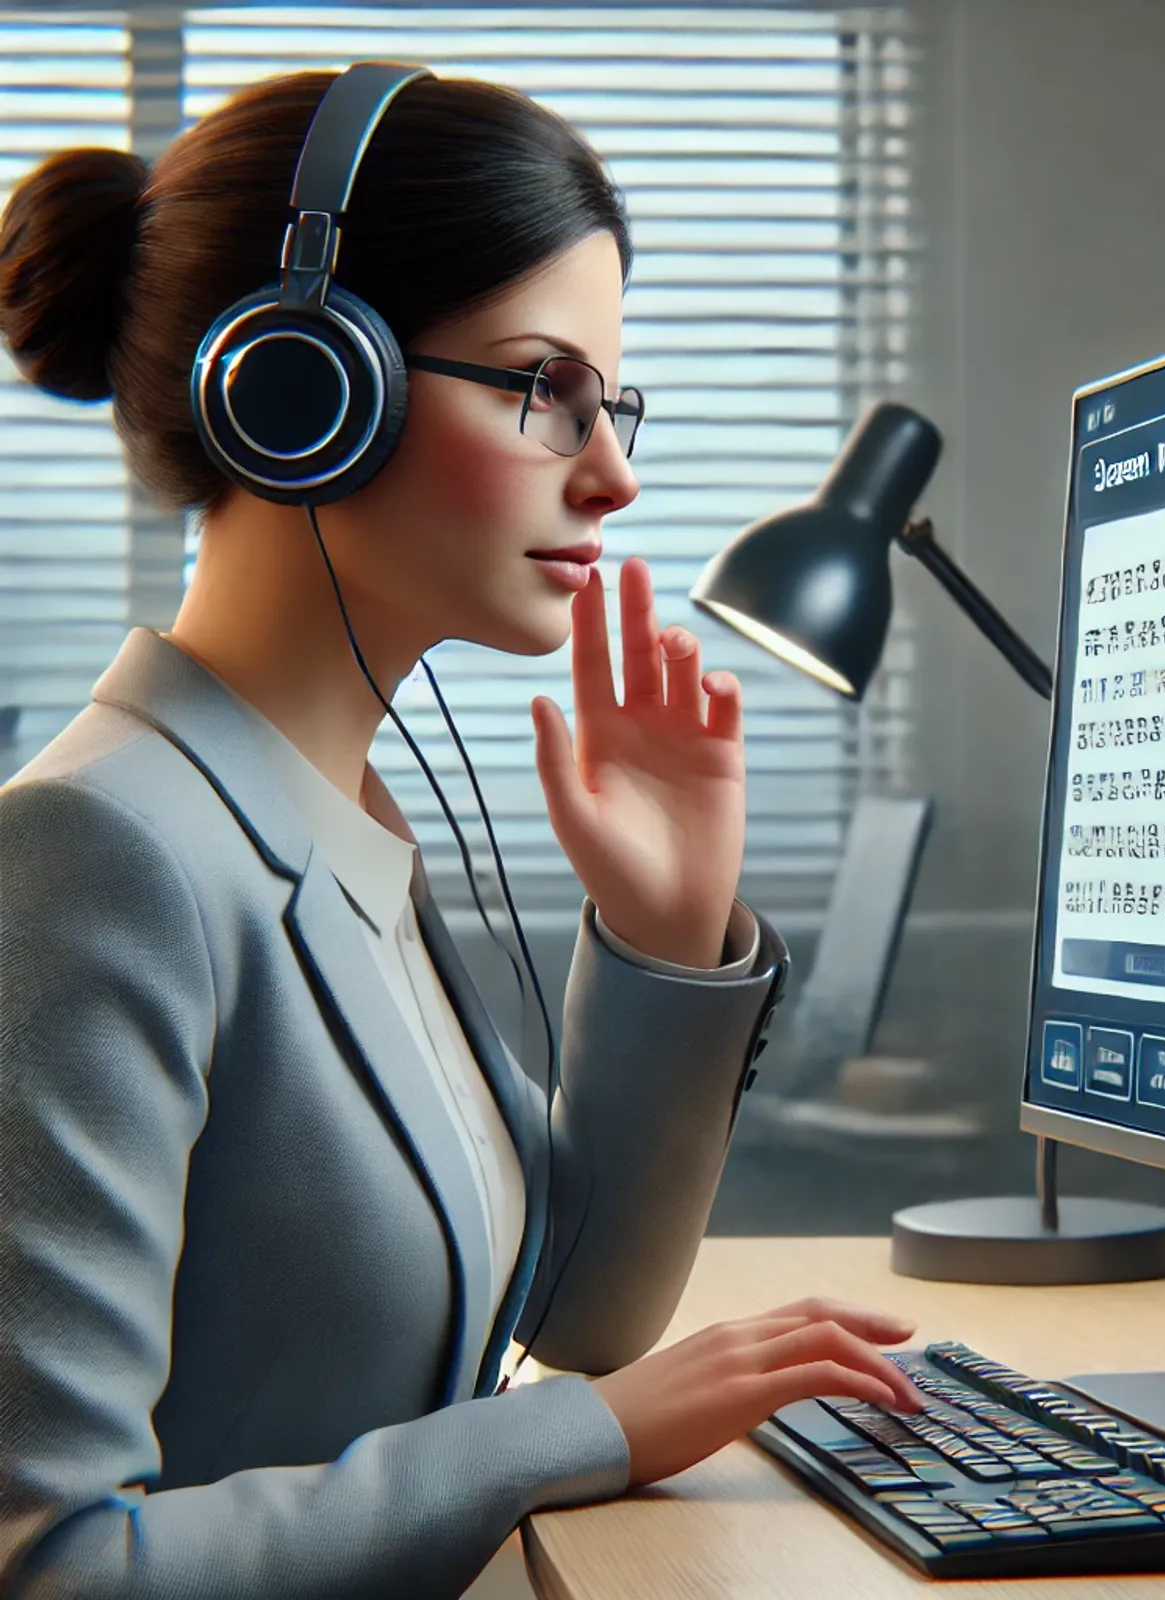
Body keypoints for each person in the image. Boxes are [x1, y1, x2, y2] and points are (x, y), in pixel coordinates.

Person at [0, 66, 925, 1599]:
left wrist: (667, 931)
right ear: (304, 387)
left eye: (611, 401)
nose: (613, 474)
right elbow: (56, 1569)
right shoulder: (99, 860)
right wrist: (576, 1435)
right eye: (541, 385)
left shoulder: (335, 819)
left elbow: (580, 1311)